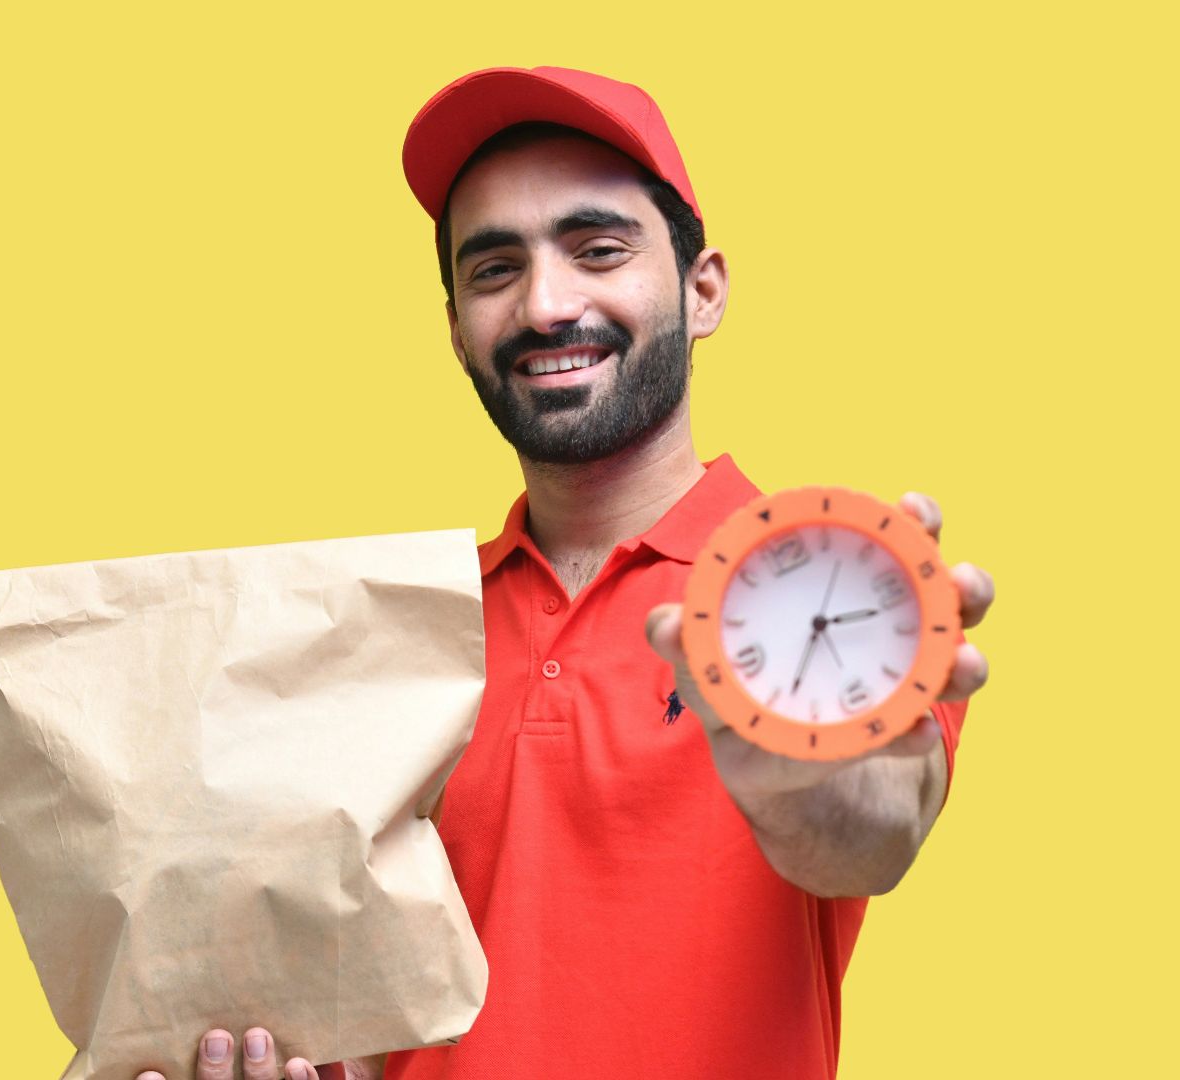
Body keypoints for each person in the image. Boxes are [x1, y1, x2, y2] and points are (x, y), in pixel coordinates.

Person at [139, 66, 996, 1080]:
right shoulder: (390, 635)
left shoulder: (830, 597)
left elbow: (861, 840)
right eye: (494, 268)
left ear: (703, 288)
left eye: (597, 250)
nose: (547, 305)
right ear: (456, 323)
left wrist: (829, 789)